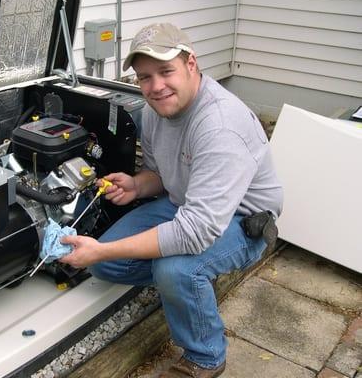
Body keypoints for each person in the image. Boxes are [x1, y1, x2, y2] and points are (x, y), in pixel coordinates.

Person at [60, 23, 283, 378]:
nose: (156, 86)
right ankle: (184, 288)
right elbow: (161, 174)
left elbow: (195, 232)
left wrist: (105, 250)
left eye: (166, 71)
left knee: (174, 267)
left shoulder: (220, 125)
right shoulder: (154, 112)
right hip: (186, 205)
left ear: (191, 64)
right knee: (104, 264)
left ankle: (205, 355)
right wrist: (136, 185)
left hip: (242, 221)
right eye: (145, 77)